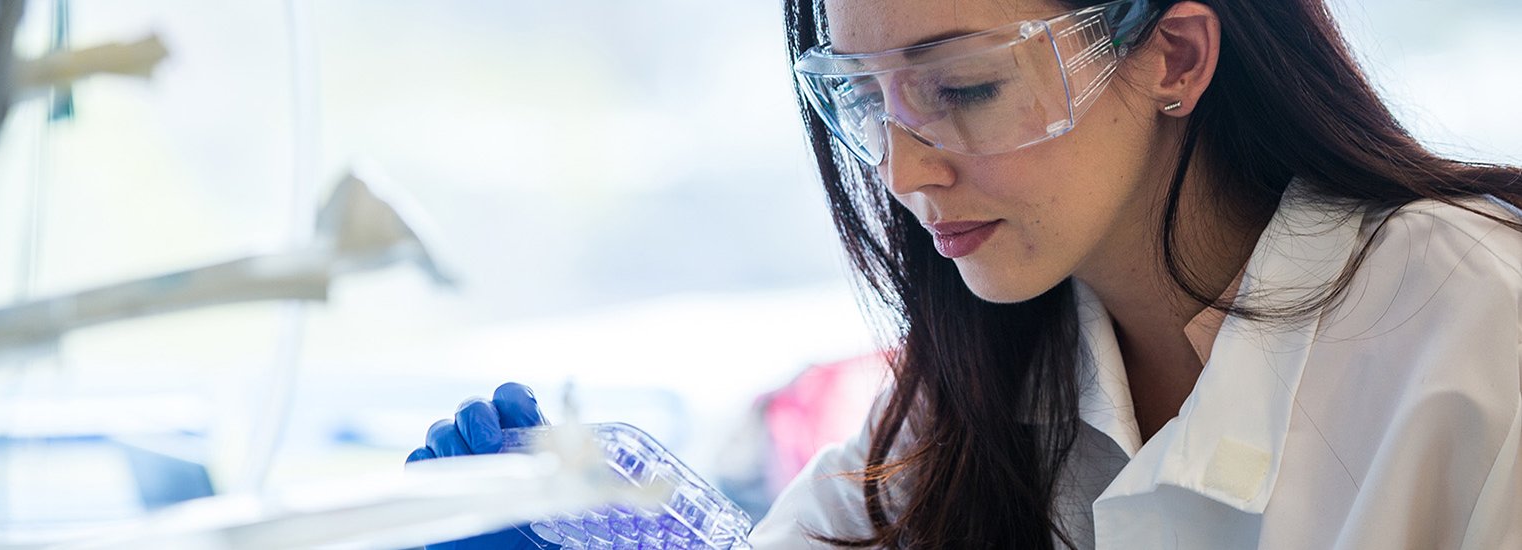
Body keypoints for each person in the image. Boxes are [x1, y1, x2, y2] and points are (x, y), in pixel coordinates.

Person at [410, 0, 1522, 547]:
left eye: (966, 88)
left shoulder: (1478, 325)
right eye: (860, 96)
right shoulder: (994, 385)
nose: (901, 168)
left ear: (1174, 56)